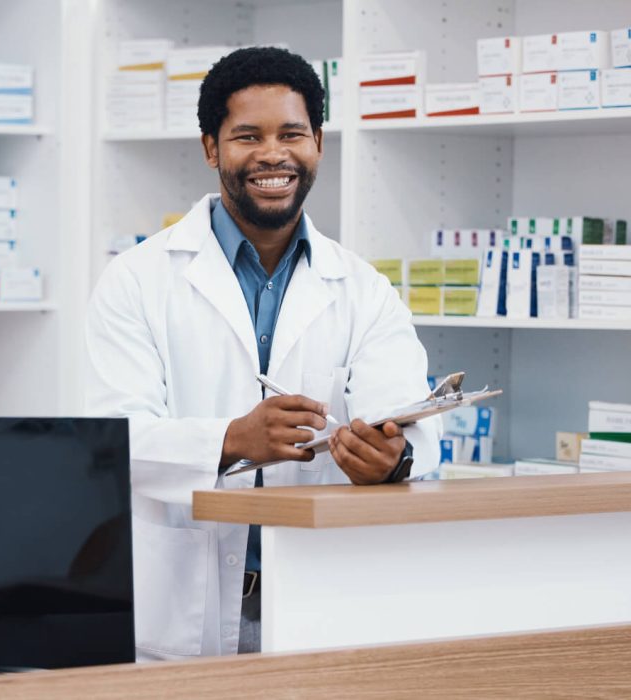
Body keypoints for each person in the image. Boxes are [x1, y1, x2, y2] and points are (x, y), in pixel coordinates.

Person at [85, 46, 441, 661]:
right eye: (247, 136)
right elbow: (113, 439)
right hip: (181, 610)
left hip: (316, 596)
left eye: (291, 134)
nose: (272, 154)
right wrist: (230, 439)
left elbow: (409, 421)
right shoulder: (138, 279)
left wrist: (391, 458)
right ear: (211, 148)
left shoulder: (363, 289)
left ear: (319, 144)